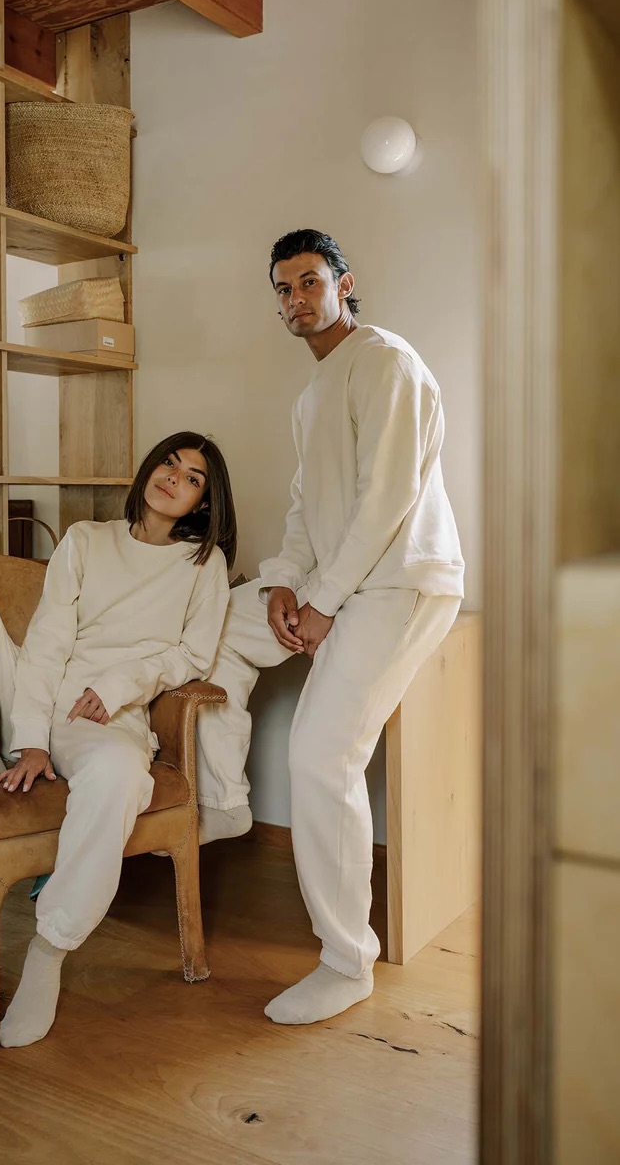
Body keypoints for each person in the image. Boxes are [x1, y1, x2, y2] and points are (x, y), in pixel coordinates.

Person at [195, 229, 464, 1025]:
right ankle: (222, 795)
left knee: (317, 754)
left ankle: (347, 962)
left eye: (309, 282)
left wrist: (322, 602)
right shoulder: (312, 396)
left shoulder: (385, 361)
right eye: (283, 289)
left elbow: (386, 502)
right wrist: (282, 586)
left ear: (345, 284)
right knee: (221, 616)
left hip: (402, 584)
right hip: (345, 585)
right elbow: (308, 514)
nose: (295, 299)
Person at [0, 431, 236, 1047]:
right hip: (32, 697)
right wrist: (29, 739)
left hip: (107, 719)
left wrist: (118, 685)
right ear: (149, 469)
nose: (174, 477)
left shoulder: (204, 564)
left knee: (119, 776)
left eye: (193, 477)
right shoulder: (86, 540)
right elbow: (47, 643)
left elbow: (190, 654)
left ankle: (49, 950)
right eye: (169, 463)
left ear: (202, 501)